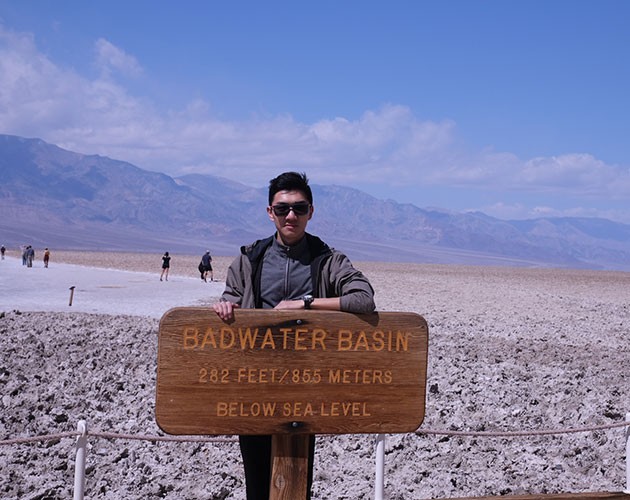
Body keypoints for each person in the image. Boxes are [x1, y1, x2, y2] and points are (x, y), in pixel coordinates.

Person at [213, 172, 375, 500]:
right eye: (283, 208)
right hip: (255, 386)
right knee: (256, 485)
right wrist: (225, 309)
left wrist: (307, 304)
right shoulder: (250, 260)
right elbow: (231, 298)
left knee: (297, 480)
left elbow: (364, 299)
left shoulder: (327, 260)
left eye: (299, 209)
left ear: (311, 212)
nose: (291, 216)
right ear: (269, 212)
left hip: (306, 388)